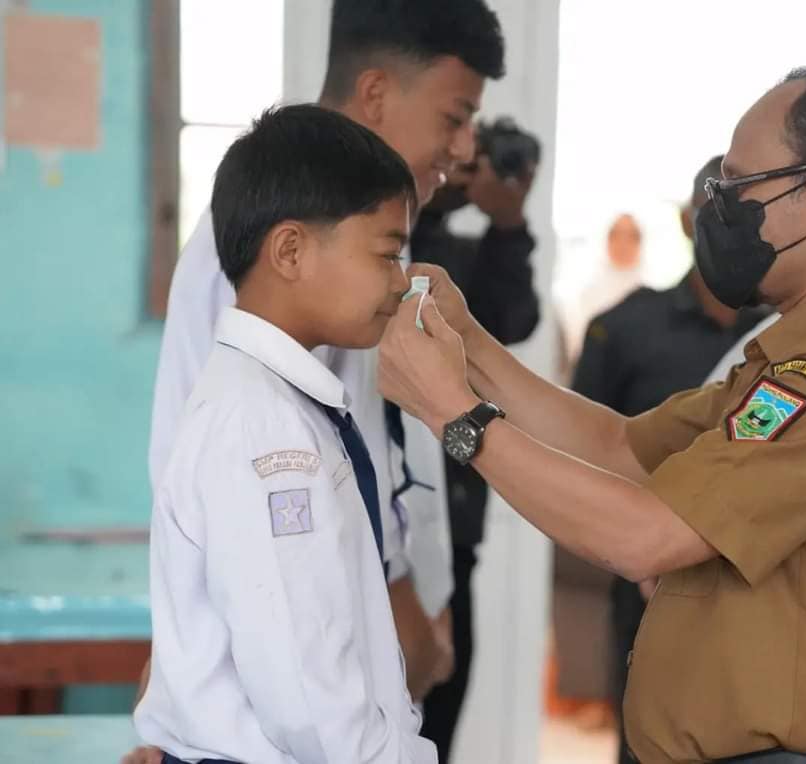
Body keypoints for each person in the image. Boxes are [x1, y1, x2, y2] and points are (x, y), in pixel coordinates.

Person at [379, 62, 806, 763]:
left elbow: (645, 537)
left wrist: (453, 415)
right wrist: (470, 343)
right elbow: (619, 446)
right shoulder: (796, 355)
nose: (718, 209)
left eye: (741, 186)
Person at [145, 0, 506, 710]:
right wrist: (397, 597)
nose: (465, 149)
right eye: (454, 117)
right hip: (341, 637)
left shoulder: (362, 228)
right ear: (375, 92)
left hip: (394, 612)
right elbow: (229, 483)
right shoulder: (272, 247)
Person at [133, 104, 433, 763]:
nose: (401, 280)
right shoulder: (264, 429)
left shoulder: (279, 403)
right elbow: (306, 697)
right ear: (291, 250)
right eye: (387, 254)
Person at [570, 154, 769, 764]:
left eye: (748, 214)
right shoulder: (624, 328)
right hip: (646, 581)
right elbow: (590, 449)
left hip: (761, 591)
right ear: (688, 220)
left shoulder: (789, 337)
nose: (731, 231)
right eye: (715, 212)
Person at [407, 132, 541, 761]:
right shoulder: (393, 241)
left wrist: (508, 222)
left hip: (454, 521)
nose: (459, 161)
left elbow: (514, 319)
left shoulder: (469, 258)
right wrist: (427, 202)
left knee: (440, 711)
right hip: (383, 519)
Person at [558, 213, 645, 368]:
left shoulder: (648, 295)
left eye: (632, 236)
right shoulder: (587, 291)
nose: (623, 243)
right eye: (616, 235)